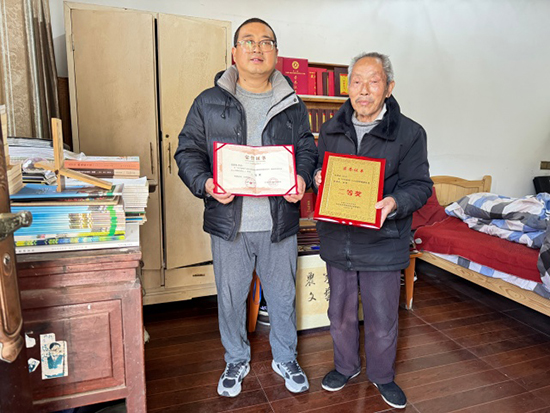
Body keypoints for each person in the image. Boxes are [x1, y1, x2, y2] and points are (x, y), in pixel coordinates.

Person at [174, 18, 317, 398]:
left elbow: (307, 149)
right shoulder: (208, 101)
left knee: (282, 298)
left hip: (278, 222)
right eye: (248, 41)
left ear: (276, 53)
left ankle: (285, 357)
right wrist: (206, 184)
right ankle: (236, 358)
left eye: (266, 41)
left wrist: (302, 177)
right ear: (234, 52)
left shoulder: (292, 104)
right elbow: (187, 151)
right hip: (229, 223)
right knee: (231, 298)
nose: (257, 48)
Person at [315, 52, 432, 409]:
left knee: (382, 317)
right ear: (348, 86)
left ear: (389, 87)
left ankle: (382, 376)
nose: (364, 90)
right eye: (357, 81)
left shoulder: (410, 133)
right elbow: (322, 170)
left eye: (374, 81)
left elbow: (420, 186)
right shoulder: (330, 129)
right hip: (338, 239)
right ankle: (345, 367)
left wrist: (393, 203)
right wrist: (320, 178)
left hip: (384, 241)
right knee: (340, 313)